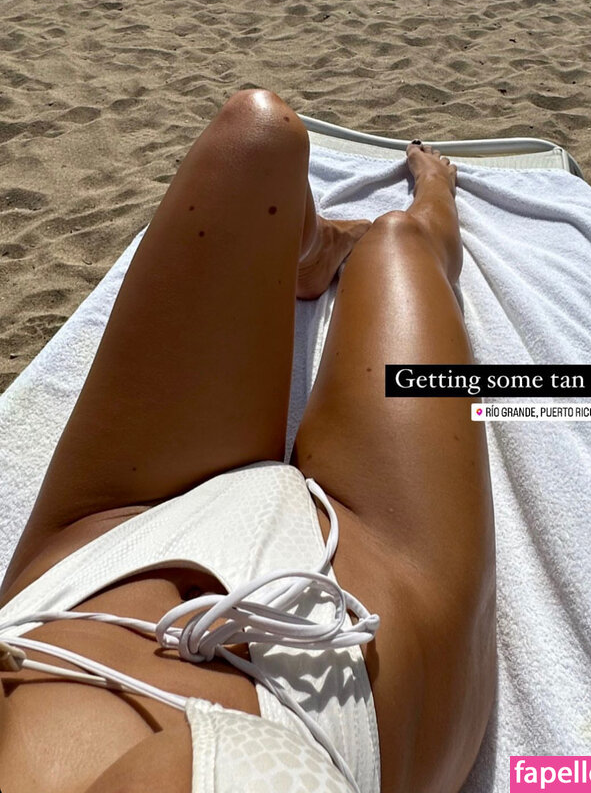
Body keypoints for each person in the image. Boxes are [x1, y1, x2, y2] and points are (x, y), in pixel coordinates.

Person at [0, 89, 496, 793]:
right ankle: (434, 205)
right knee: (399, 244)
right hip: (360, 653)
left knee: (258, 136)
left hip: (95, 560)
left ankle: (316, 249)